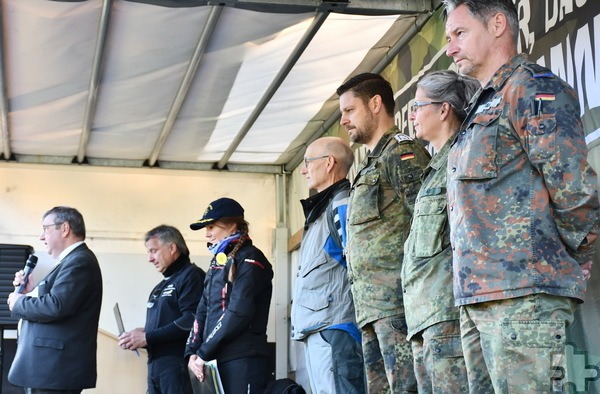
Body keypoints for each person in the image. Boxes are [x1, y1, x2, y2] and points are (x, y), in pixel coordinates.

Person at [443, 0, 600, 392]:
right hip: (479, 297)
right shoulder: (483, 104)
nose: (450, 49)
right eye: (448, 38)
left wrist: (574, 257)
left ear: (498, 24)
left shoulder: (532, 87)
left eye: (459, 34)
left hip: (523, 298)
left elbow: (574, 188)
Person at [337, 73, 431, 393]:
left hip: (399, 305)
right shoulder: (369, 164)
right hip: (372, 309)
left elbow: (430, 219)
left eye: (349, 110)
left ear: (375, 104)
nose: (343, 120)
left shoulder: (401, 152)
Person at [401, 70, 479, 394]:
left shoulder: (462, 158)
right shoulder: (435, 169)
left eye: (417, 106)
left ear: (444, 109)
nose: (412, 115)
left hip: (447, 315)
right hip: (425, 317)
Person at [291, 136, 366, 394]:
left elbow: (359, 265)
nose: (303, 170)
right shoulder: (322, 210)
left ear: (329, 163)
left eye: (308, 162)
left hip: (336, 330)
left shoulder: (342, 204)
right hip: (322, 331)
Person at [7, 206, 103, 394]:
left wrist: (19, 302)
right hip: (49, 370)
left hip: (54, 370)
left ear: (65, 228)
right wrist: (30, 293)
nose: (42, 237)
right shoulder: (73, 261)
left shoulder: (79, 261)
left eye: (45, 229)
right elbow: (58, 301)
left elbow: (56, 306)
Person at [185, 197, 273, 394]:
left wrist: (203, 351)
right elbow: (203, 309)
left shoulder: (251, 258)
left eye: (211, 227)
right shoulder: (218, 261)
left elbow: (238, 312)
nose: (207, 234)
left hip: (243, 358)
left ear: (232, 225)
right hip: (213, 360)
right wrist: (192, 351)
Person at [118, 225, 205, 394]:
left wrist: (147, 336)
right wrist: (141, 334)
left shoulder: (191, 275)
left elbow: (191, 320)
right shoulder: (162, 285)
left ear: (172, 248)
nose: (150, 258)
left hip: (177, 365)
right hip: (155, 365)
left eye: (153, 251)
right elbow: (169, 322)